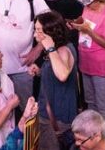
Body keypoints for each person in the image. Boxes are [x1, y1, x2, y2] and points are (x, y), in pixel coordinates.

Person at [72, 0, 105, 135]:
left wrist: (88, 31)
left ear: (99, 0)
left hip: (100, 65)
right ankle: (93, 133)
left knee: (103, 104)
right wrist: (76, 24)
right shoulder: (87, 7)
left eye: (89, 2)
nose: (86, 4)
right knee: (90, 101)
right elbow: (84, 21)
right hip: (85, 61)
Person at [30, 11, 78, 150]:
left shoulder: (62, 50)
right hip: (48, 115)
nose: (34, 34)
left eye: (39, 30)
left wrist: (50, 47)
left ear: (51, 31)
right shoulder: (56, 50)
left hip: (57, 119)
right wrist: (39, 71)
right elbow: (56, 74)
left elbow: (62, 75)